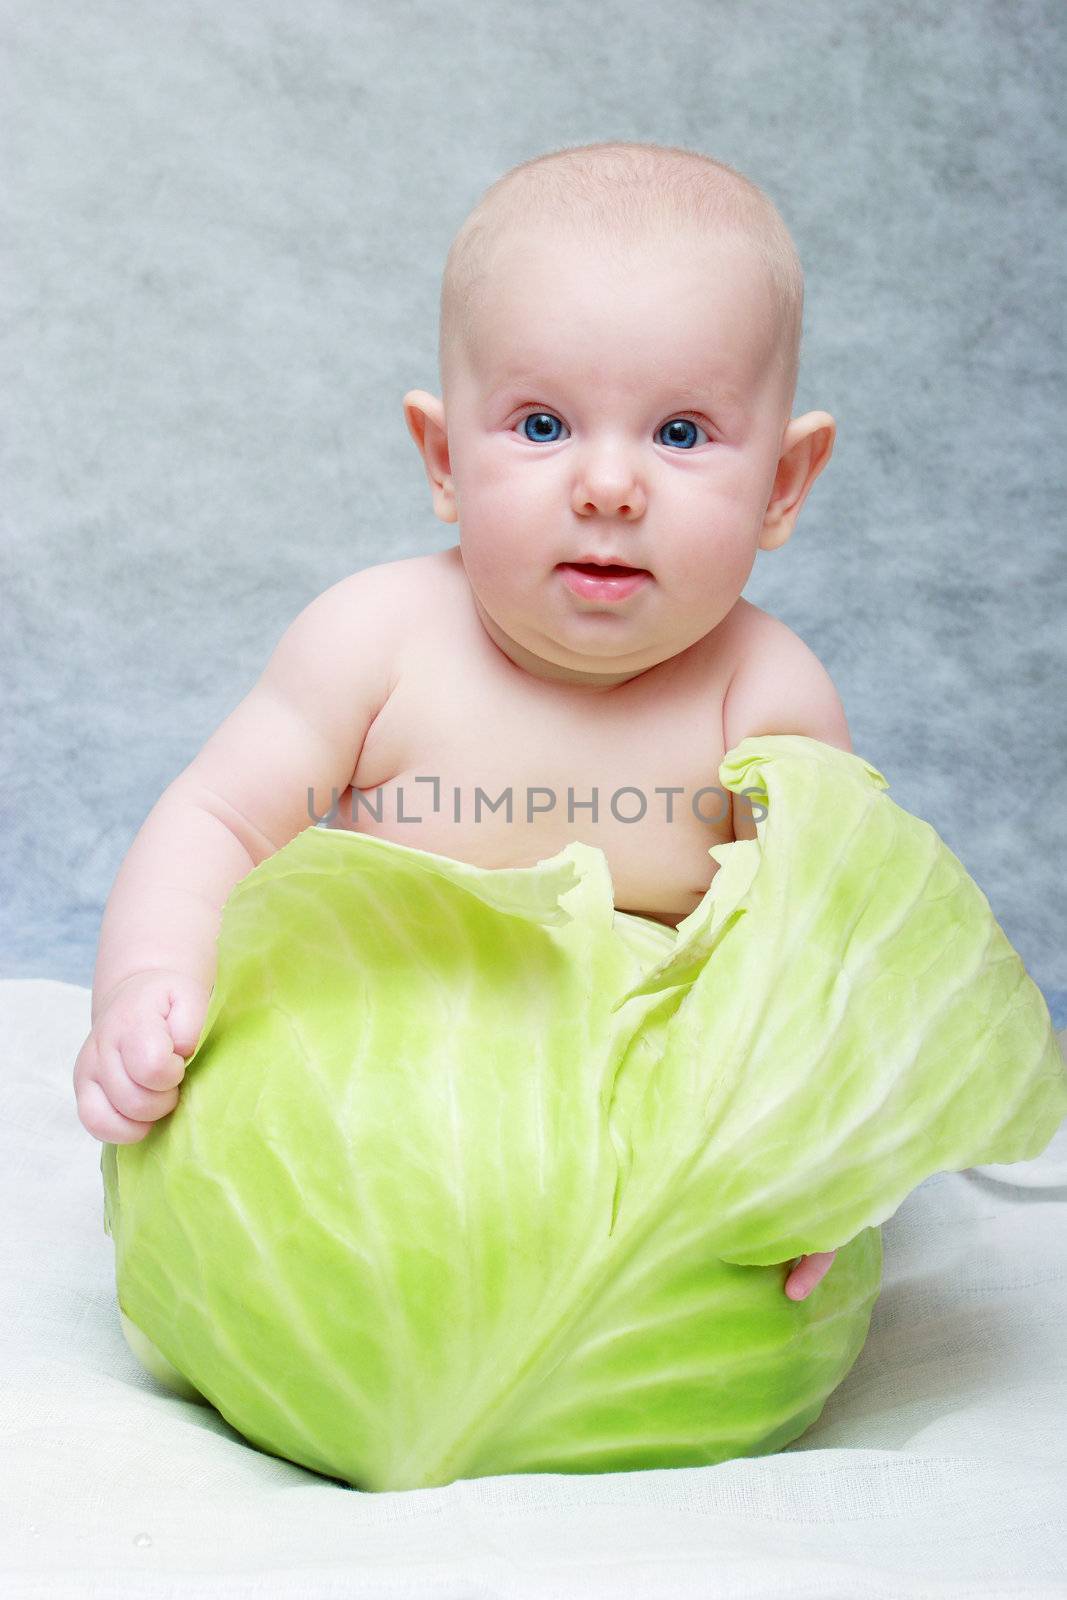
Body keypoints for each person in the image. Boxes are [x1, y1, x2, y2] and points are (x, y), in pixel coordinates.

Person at [74, 140, 850, 1301]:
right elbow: (221, 819)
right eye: (541, 426)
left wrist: (821, 1140)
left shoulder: (766, 698)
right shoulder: (374, 643)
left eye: (679, 433)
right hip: (361, 1165)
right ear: (441, 458)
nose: (606, 485)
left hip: (635, 1210)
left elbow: (823, 952)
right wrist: (146, 980)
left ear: (783, 486)